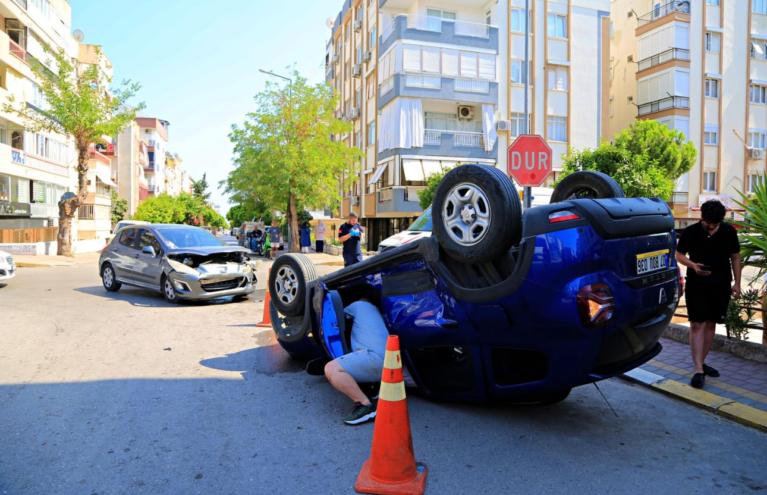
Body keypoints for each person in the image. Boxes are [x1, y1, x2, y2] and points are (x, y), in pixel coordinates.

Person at [675, 199, 742, 389]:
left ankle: (701, 364)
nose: (711, 227)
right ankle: (697, 369)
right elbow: (678, 255)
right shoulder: (691, 232)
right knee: (697, 324)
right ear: (702, 217)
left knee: (711, 324)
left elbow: (736, 257)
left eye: (715, 224)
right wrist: (693, 265)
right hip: (697, 284)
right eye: (708, 223)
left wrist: (737, 282)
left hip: (720, 284)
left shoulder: (729, 231)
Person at [324, 300, 389, 425]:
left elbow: (334, 318)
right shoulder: (376, 312)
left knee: (332, 369)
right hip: (389, 360)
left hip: (374, 357)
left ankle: (365, 405)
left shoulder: (358, 305)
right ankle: (373, 387)